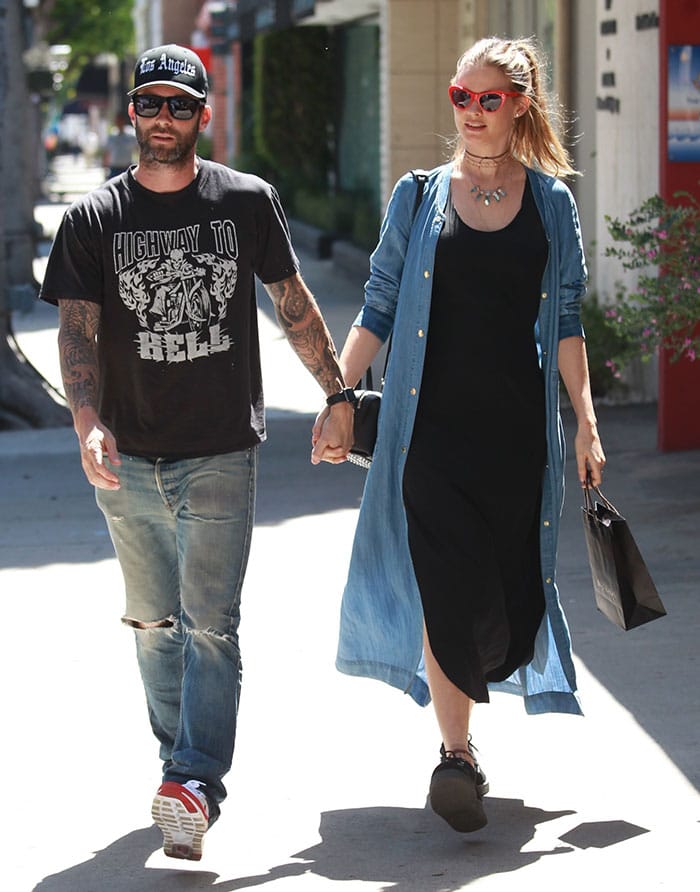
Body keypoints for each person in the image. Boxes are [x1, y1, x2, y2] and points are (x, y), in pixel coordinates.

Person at [39, 44, 353, 861]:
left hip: (220, 450)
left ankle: (195, 783)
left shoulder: (245, 202)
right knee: (152, 623)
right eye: (151, 103)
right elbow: (78, 333)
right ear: (131, 113)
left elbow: (294, 305)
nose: (164, 118)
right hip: (130, 455)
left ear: (202, 116)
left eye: (181, 105)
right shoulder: (92, 219)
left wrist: (338, 393)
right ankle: (180, 771)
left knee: (211, 625)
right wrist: (86, 422)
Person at [312, 36, 606, 833]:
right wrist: (340, 394)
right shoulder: (417, 196)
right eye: (460, 97)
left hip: (516, 441)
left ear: (519, 105)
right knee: (446, 590)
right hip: (427, 437)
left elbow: (570, 321)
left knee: (505, 607)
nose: (472, 113)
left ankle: (474, 717)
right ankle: (456, 754)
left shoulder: (550, 204)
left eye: (487, 99)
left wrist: (585, 421)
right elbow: (377, 304)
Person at [102, 112, 137, 178]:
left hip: (127, 168)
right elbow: (107, 153)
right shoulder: (112, 136)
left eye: (121, 120)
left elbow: (138, 150)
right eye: (118, 120)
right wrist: (105, 169)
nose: (119, 122)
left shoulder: (131, 135)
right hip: (114, 168)